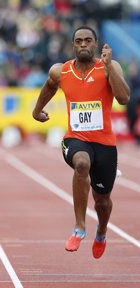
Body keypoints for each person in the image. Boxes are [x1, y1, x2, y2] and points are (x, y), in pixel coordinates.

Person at [32, 26, 130, 259]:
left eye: (88, 40)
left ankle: (102, 231)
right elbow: (49, 87)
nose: (83, 44)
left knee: (103, 201)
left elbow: (124, 98)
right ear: (73, 45)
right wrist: (37, 111)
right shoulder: (61, 71)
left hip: (105, 143)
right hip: (76, 139)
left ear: (95, 44)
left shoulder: (109, 67)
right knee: (82, 164)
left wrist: (108, 67)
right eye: (79, 41)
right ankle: (79, 227)